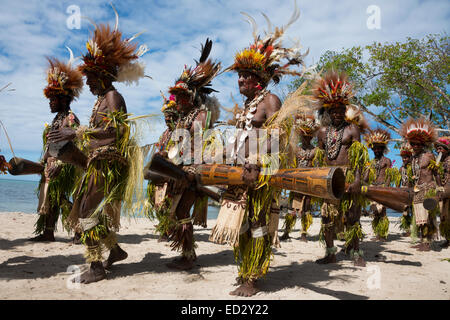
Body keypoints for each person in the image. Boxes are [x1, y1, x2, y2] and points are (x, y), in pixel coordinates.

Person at [48, 15, 148, 283]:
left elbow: (117, 132)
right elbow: (97, 134)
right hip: (97, 163)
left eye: (91, 77)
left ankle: (96, 267)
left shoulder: (113, 97)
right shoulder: (101, 100)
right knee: (85, 209)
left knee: (85, 212)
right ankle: (114, 250)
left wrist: (75, 131)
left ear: (103, 75)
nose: (88, 83)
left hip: (108, 164)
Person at [220, 7, 306, 296]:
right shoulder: (247, 105)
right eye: (239, 76)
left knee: (257, 221)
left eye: (245, 76)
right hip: (242, 172)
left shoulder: (270, 100)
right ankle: (246, 268)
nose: (240, 81)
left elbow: (277, 137)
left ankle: (253, 276)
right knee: (242, 221)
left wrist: (257, 162)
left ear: (258, 78)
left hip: (262, 172)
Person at [10, 55, 83, 242]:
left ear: (64, 100)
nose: (50, 102)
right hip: (50, 166)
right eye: (49, 99)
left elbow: (77, 144)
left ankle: (78, 230)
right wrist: (42, 161)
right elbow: (51, 145)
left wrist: (61, 164)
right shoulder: (56, 119)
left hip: (65, 166)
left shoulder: (71, 118)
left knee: (60, 198)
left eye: (53, 99)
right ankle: (48, 232)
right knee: (49, 199)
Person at [163, 38, 221, 270]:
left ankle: (189, 256)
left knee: (182, 210)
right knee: (177, 210)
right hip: (181, 168)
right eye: (176, 96)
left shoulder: (200, 114)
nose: (177, 100)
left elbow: (197, 143)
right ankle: (188, 253)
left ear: (191, 96)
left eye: (181, 96)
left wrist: (189, 168)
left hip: (193, 171)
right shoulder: (183, 116)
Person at [314, 70, 370, 267]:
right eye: (333, 111)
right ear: (328, 113)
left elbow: (358, 159)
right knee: (327, 217)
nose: (337, 113)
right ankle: (330, 253)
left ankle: (356, 252)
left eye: (340, 110)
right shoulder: (321, 132)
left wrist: (357, 180)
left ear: (345, 110)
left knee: (352, 216)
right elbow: (319, 159)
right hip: (328, 177)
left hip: (348, 175)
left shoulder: (352, 129)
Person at [400, 118, 440, 251]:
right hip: (417, 190)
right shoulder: (412, 159)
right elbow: (412, 176)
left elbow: (437, 173)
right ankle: (423, 240)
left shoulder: (429, 156)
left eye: (418, 144)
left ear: (423, 144)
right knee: (419, 218)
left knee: (428, 217)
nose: (415, 146)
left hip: (428, 188)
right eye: (413, 143)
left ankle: (427, 242)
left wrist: (439, 188)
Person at [280, 112, 321, 242]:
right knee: (292, 208)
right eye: (304, 137)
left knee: (306, 208)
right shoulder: (296, 149)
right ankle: (287, 232)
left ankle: (303, 233)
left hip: (309, 182)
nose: (306, 139)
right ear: (301, 137)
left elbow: (317, 167)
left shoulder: (315, 150)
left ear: (311, 138)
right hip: (297, 182)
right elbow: (291, 165)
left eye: (308, 137)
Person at [363, 128, 392, 241]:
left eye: (379, 148)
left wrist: (387, 188)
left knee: (382, 211)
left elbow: (389, 175)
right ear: (372, 149)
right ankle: (377, 234)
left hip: (383, 187)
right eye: (375, 148)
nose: (377, 150)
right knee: (375, 211)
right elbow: (366, 176)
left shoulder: (387, 160)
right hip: (373, 187)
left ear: (383, 149)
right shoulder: (371, 162)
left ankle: (383, 234)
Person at [434, 136, 449, 247]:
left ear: (447, 149)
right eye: (437, 149)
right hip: (444, 190)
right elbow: (438, 177)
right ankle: (448, 239)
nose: (438, 151)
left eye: (441, 149)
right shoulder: (439, 162)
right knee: (444, 216)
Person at [398, 143, 415, 237]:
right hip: (404, 192)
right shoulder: (401, 169)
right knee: (405, 212)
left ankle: (415, 230)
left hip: (413, 192)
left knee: (414, 211)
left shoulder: (413, 168)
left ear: (410, 157)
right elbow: (399, 181)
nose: (404, 159)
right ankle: (407, 229)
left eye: (406, 157)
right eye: (403, 157)